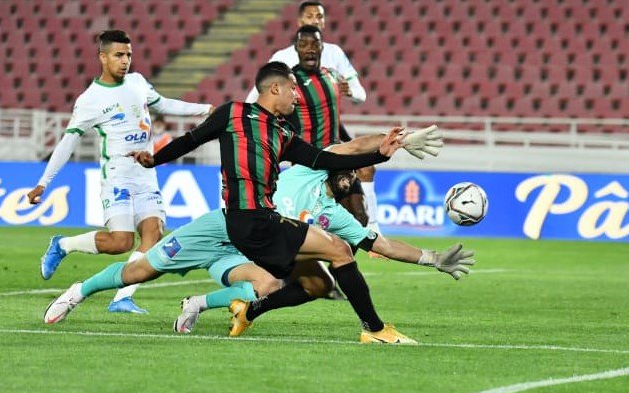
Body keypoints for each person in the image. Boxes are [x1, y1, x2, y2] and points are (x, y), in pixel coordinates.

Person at [131, 61, 425, 344]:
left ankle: (246, 311)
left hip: (263, 220)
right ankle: (374, 329)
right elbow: (191, 140)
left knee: (318, 284)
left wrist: (378, 156)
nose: (297, 96)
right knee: (339, 250)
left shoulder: (282, 132)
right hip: (249, 220)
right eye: (293, 89)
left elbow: (323, 159)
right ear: (275, 88)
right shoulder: (233, 113)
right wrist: (155, 159)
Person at [172, 132, 473, 336]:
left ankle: (240, 311)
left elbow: (381, 244)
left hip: (270, 247)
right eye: (348, 168)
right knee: (325, 256)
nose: (351, 174)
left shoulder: (334, 214)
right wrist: (400, 140)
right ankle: (374, 329)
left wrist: (433, 258)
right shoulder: (311, 168)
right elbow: (354, 148)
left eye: (355, 174)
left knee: (319, 284)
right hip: (239, 235)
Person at [26, 29, 213, 315]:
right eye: (118, 55)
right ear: (103, 57)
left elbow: (164, 104)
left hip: (146, 173)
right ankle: (62, 244)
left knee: (153, 233)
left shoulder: (138, 82)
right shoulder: (90, 99)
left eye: (128, 55)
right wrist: (43, 183)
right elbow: (68, 142)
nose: (125, 61)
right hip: (117, 176)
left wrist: (206, 109)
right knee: (121, 242)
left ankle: (122, 298)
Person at [246, 0, 382, 236]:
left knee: (366, 172)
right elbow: (257, 97)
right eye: (310, 16)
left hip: (332, 128)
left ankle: (373, 229)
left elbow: (359, 94)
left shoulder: (333, 54)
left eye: (319, 16)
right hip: (302, 138)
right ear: (299, 22)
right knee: (312, 208)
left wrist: (350, 92)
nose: (315, 20)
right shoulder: (283, 59)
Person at [42, 209, 282, 326]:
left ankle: (196, 304)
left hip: (233, 249)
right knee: (138, 272)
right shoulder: (294, 182)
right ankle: (78, 292)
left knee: (269, 282)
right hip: (209, 233)